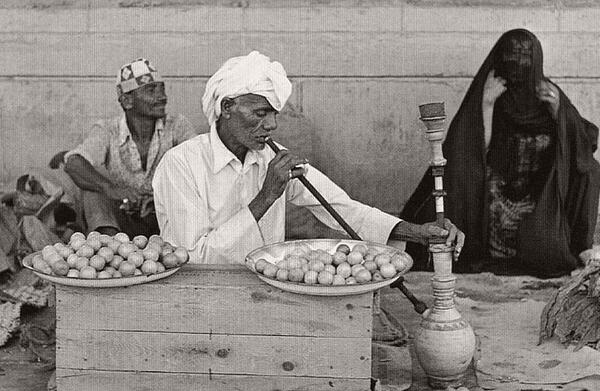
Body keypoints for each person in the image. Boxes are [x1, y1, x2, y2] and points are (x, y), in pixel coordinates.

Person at [152, 51, 464, 264]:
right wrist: (266, 197)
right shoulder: (181, 165)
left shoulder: (269, 158)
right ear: (227, 108)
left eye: (273, 114)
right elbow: (193, 257)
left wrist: (416, 232)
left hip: (266, 287)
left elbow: (342, 209)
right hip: (201, 298)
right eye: (260, 113)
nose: (271, 125)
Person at [402, 29, 600, 277]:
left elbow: (583, 142)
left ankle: (580, 246)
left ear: (536, 59)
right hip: (497, 189)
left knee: (591, 169)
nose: (518, 63)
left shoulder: (547, 93)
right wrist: (486, 104)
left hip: (540, 191)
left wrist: (560, 110)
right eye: (511, 55)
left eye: (525, 56)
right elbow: (467, 150)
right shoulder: (491, 93)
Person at [62, 58, 197, 237]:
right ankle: (109, 246)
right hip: (122, 223)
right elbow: (73, 163)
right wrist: (111, 189)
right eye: (151, 90)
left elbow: (199, 164)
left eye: (162, 89)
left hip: (166, 220)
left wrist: (161, 197)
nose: (162, 97)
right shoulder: (108, 130)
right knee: (91, 191)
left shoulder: (177, 125)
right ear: (127, 101)